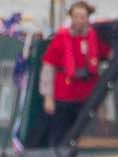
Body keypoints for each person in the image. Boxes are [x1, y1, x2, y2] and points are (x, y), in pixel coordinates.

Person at [40, 1, 107, 146]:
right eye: (76, 17)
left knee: (86, 130)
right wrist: (48, 97)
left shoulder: (93, 37)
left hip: (87, 94)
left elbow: (107, 55)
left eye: (82, 17)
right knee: (60, 129)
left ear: (88, 18)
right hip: (64, 94)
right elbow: (48, 67)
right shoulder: (61, 38)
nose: (79, 20)